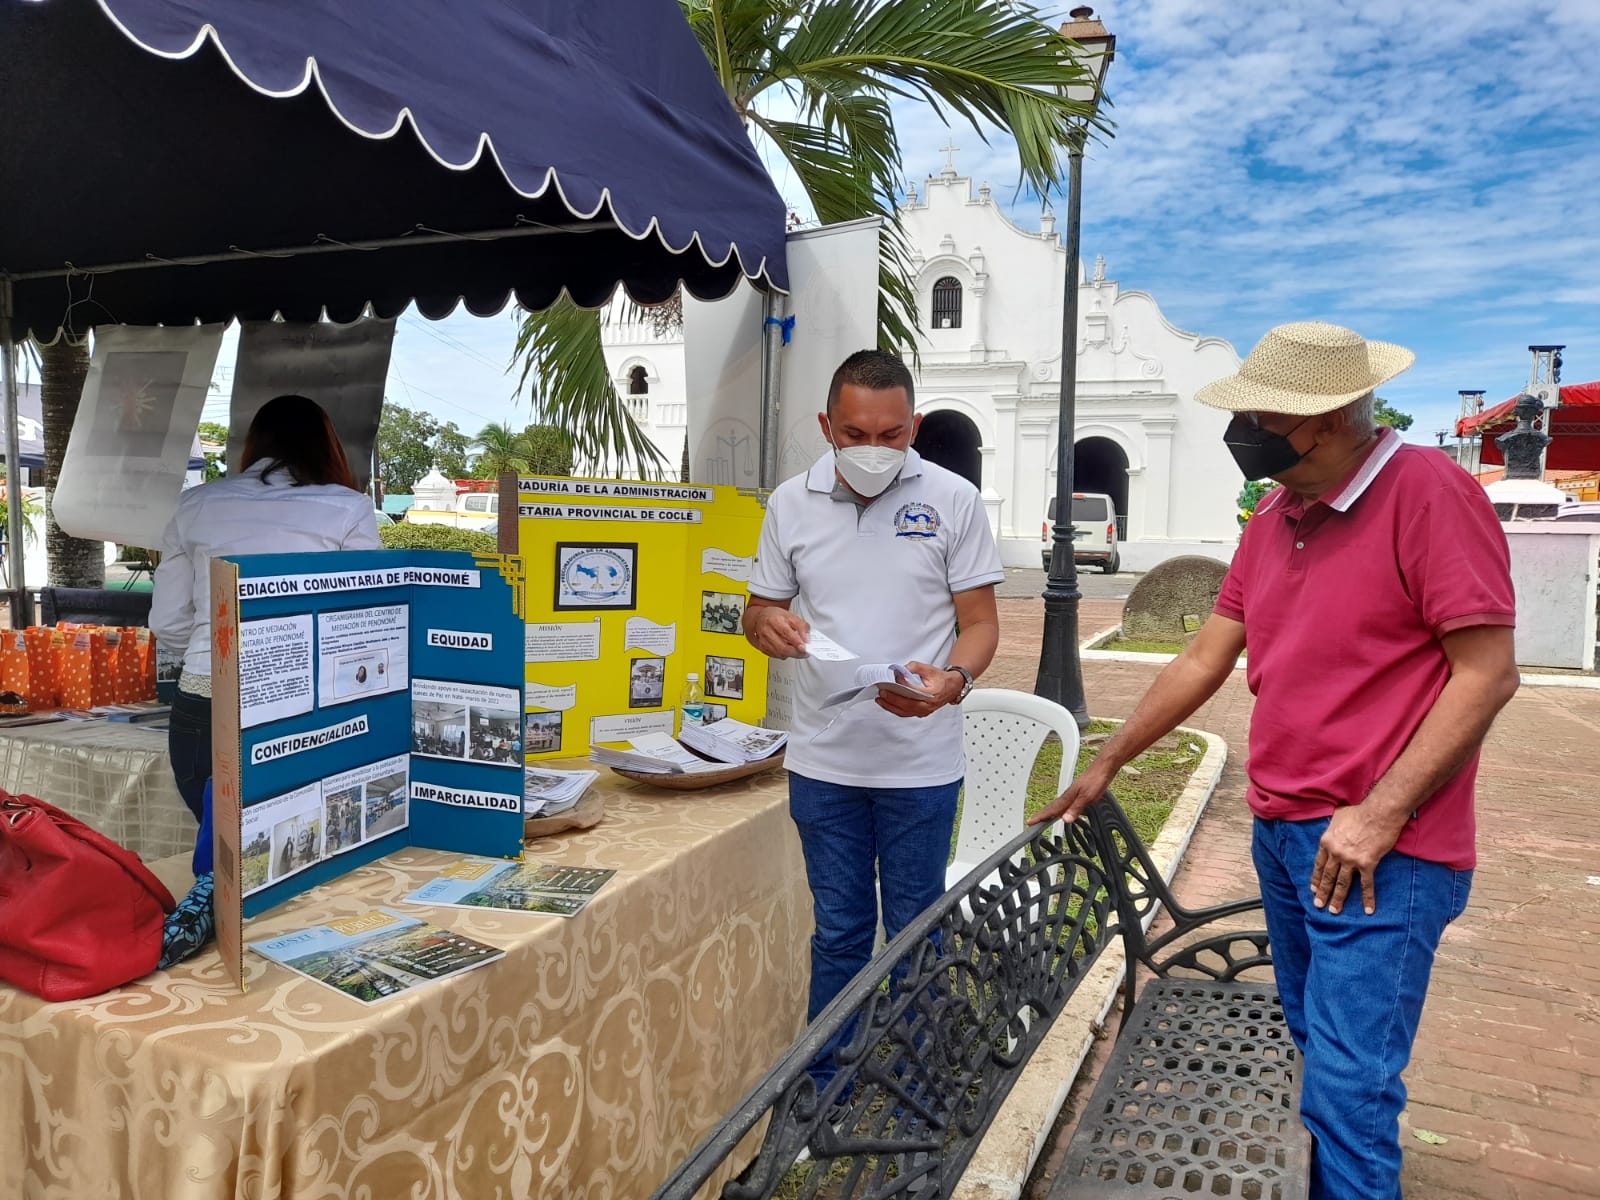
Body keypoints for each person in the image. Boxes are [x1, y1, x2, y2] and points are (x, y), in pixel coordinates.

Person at [1031, 322, 1519, 1200]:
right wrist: (1109, 762)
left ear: (1328, 420)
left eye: (1261, 417)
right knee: (1311, 1042)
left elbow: (1486, 677)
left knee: (1349, 1091)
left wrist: (1379, 813)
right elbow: (1203, 657)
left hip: (1384, 855)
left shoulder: (1430, 495)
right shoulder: (1276, 512)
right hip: (1284, 832)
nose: (1242, 432)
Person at [743, 348, 1003, 1089]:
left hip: (921, 762)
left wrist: (951, 680)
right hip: (823, 761)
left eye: (891, 435)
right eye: (855, 433)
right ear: (827, 425)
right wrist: (763, 625)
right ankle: (826, 1083)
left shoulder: (953, 500)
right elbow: (759, 610)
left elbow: (981, 625)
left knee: (917, 929)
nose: (874, 450)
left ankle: (919, 1084)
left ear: (913, 426)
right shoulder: (790, 503)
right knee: (841, 932)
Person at [152, 394, 381, 821]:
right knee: (305, 840)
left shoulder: (195, 504)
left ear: (254, 444)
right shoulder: (348, 507)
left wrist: (210, 653)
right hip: (313, 702)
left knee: (223, 843)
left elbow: (168, 620)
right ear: (326, 445)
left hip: (206, 695)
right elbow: (363, 618)